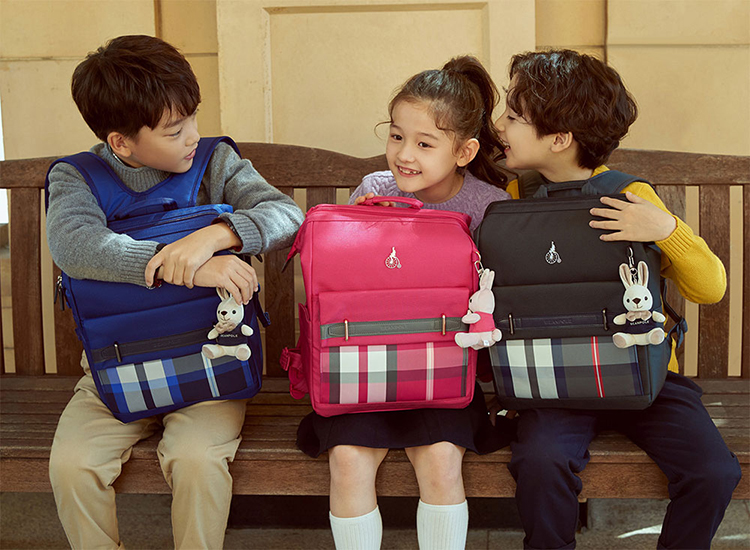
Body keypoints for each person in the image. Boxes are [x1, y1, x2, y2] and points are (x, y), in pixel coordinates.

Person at [46, 35, 303, 549]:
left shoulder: (213, 161)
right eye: (174, 129)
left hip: (210, 364)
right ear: (121, 142)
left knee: (197, 459)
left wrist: (213, 238)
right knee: (72, 465)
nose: (193, 136)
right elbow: (75, 246)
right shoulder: (78, 178)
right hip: (116, 366)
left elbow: (286, 215)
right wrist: (183, 268)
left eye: (192, 119)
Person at [494, 49, 742, 550]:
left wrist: (667, 229)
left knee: (715, 471)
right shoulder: (517, 196)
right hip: (554, 380)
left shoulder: (631, 197)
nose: (500, 124)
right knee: (540, 461)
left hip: (646, 377)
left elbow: (710, 287)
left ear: (559, 139)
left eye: (514, 117)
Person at [295, 56, 515, 550]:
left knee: (441, 458)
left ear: (465, 151)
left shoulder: (487, 207)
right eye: (396, 136)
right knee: (347, 459)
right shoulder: (374, 190)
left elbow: (499, 299)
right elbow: (343, 283)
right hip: (360, 368)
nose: (404, 154)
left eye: (424, 143)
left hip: (444, 374)